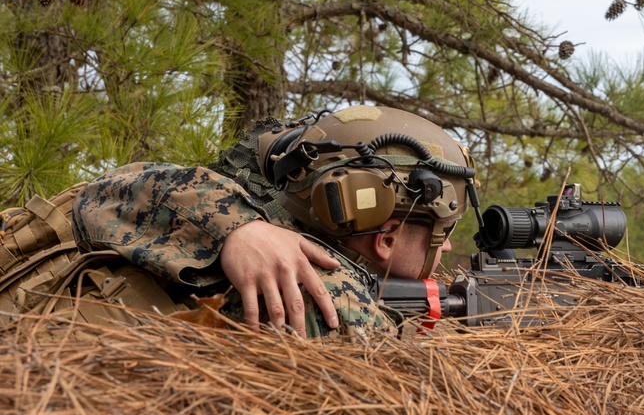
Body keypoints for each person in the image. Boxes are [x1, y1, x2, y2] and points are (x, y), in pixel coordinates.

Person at [72, 105, 480, 338]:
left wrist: (239, 227)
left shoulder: (267, 230)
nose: (444, 248)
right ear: (386, 239)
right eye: (443, 233)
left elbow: (98, 192)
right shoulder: (336, 300)